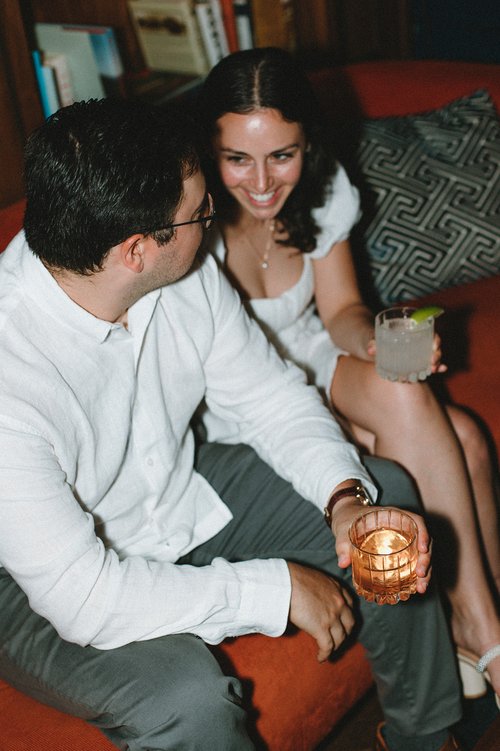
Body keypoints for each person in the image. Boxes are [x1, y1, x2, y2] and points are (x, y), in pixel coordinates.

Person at [0, 98, 463, 751]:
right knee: (186, 699)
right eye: (200, 211)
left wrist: (344, 500)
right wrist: (270, 590)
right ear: (136, 249)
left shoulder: (174, 267)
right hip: (30, 578)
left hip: (174, 483)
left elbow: (269, 396)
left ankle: (426, 735)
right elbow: (84, 596)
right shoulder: (8, 380)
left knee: (383, 505)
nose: (216, 215)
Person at [195, 46, 500, 705]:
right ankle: (481, 629)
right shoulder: (191, 225)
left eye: (283, 154)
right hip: (236, 401)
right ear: (209, 151)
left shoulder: (322, 188)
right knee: (467, 442)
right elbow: (225, 382)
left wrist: (381, 342)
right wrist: (344, 424)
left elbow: (339, 312)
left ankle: (478, 625)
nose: (262, 182)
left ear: (308, 142)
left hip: (312, 353)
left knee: (405, 386)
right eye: (237, 158)